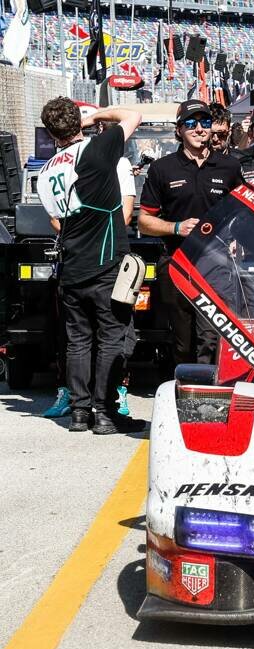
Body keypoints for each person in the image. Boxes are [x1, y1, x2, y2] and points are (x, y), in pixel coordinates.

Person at [36, 97, 145, 434]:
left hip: (72, 265)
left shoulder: (44, 172)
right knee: (112, 338)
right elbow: (133, 114)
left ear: (52, 133)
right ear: (78, 124)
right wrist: (95, 115)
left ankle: (80, 412)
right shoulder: (96, 150)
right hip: (106, 261)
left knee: (78, 341)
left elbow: (56, 222)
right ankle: (104, 412)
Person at [137, 99, 243, 365]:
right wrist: (176, 227)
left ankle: (207, 397)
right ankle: (182, 391)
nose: (199, 129)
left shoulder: (229, 166)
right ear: (179, 130)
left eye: (205, 122)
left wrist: (236, 241)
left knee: (210, 338)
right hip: (175, 261)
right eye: (191, 123)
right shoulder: (163, 168)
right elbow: (144, 221)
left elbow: (242, 214)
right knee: (182, 341)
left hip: (216, 263)